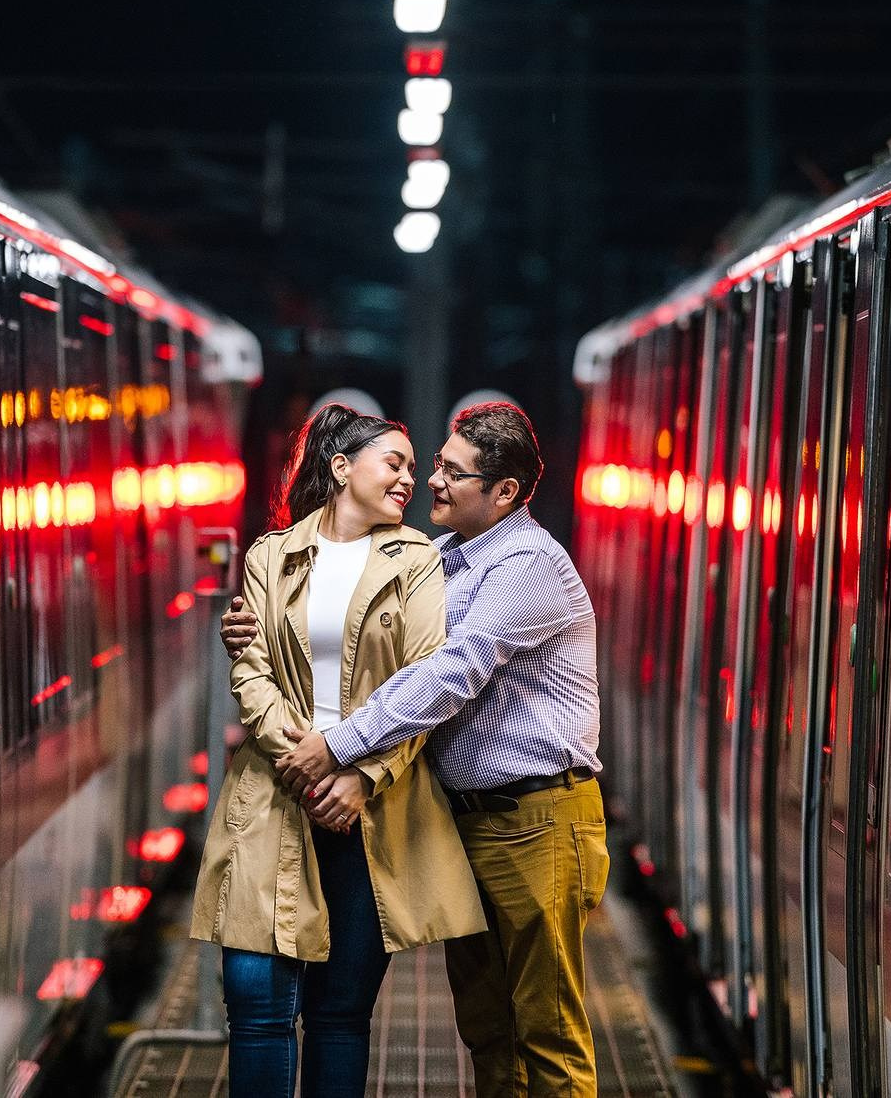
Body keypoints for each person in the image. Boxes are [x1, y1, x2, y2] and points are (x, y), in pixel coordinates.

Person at [221, 401, 606, 1097]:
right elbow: (383, 655)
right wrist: (251, 632)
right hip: (473, 824)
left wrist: (341, 749)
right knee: (490, 1026)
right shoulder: (450, 558)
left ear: (505, 492)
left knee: (546, 1030)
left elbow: (445, 672)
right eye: (429, 465)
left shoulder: (526, 565)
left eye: (450, 472)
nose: (430, 481)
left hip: (538, 822)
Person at [189, 404, 485, 1098]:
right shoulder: (272, 553)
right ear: (341, 467)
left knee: (338, 1014)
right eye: (396, 463)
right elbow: (250, 667)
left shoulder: (417, 560)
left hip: (369, 810)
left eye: (414, 469)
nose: (410, 479)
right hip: (273, 799)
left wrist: (362, 774)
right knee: (257, 1008)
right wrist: (302, 760)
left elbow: (425, 677)